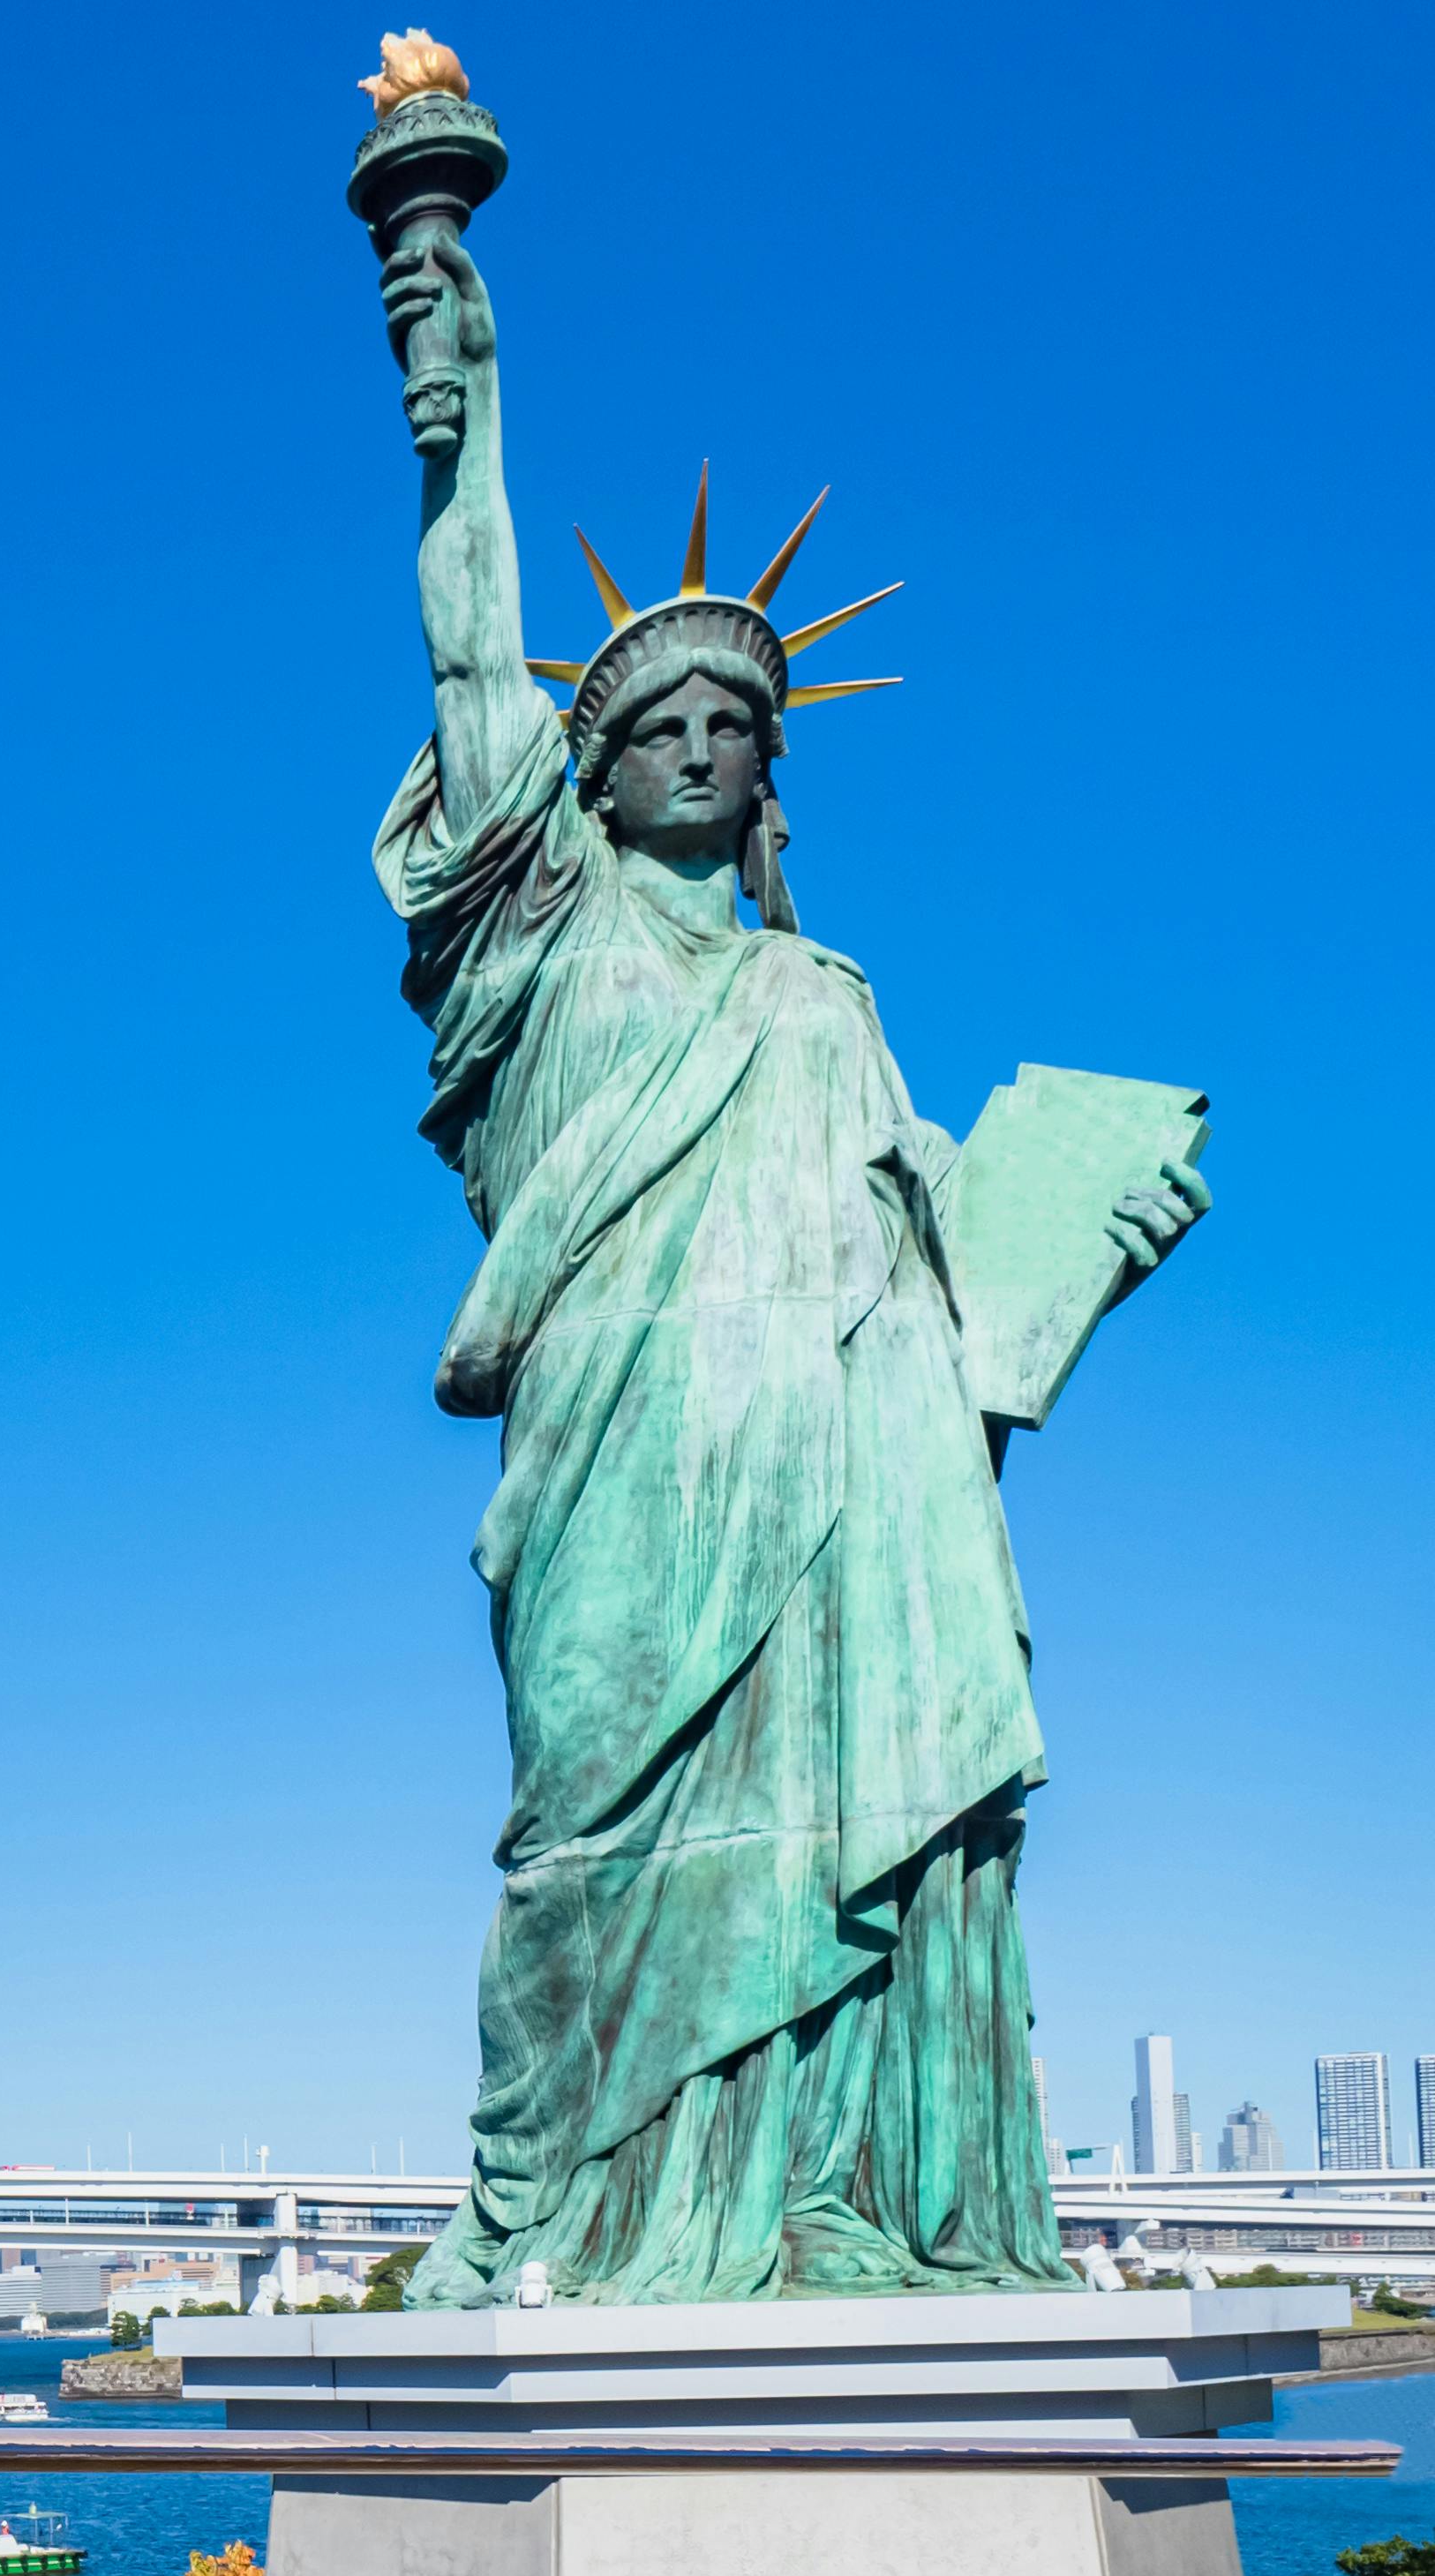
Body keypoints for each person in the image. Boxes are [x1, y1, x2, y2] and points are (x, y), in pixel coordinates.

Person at [366, 207, 1203, 2305]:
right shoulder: (539, 929)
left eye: (740, 726)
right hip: (622, 1466)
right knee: (582, 1841)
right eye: (659, 722)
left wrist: (1080, 1236)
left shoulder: (825, 996)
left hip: (835, 1476)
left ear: (765, 782)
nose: (702, 744)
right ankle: (551, 2216)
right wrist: (450, 392)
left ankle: (822, 2201)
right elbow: (475, 656)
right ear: (593, 766)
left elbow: (942, 1258)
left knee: (848, 1832)